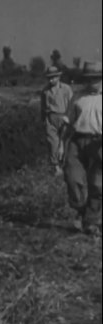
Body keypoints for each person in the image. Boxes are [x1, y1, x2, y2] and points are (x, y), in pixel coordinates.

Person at [62, 60, 102, 236]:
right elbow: (68, 122)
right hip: (77, 141)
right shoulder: (78, 97)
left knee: (97, 184)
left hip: (98, 143)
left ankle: (92, 221)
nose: (91, 81)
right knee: (72, 177)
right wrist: (60, 145)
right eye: (88, 78)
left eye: (95, 78)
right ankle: (80, 209)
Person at [40, 65, 73, 176]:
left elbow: (71, 104)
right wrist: (44, 120)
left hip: (63, 117)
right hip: (50, 118)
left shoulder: (66, 89)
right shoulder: (45, 91)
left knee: (64, 142)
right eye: (49, 78)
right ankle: (56, 167)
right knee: (53, 142)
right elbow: (43, 106)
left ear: (58, 77)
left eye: (53, 77)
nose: (51, 80)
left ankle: (65, 164)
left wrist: (68, 116)